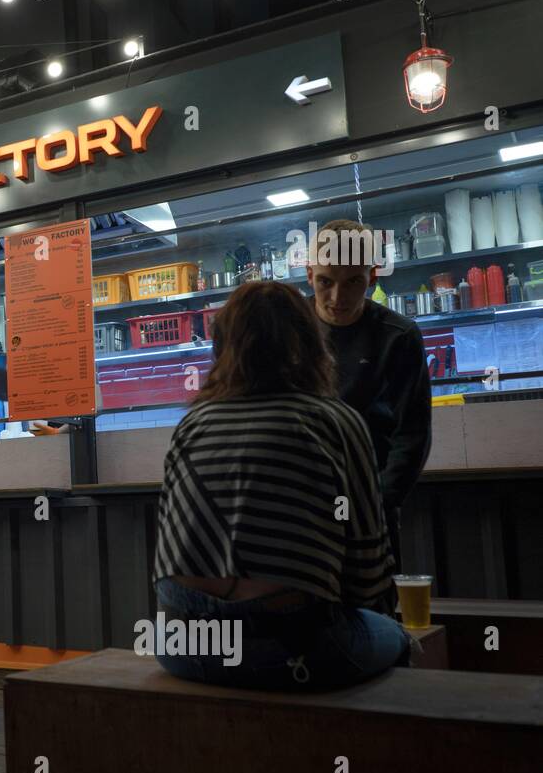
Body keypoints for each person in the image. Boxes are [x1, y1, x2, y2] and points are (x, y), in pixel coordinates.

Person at [152, 282, 411, 691]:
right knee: (398, 637)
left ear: (222, 347)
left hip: (181, 646)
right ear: (310, 343)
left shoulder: (192, 424)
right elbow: (367, 571)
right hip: (292, 648)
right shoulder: (335, 420)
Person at [308, 219, 432, 570]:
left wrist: (378, 502)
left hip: (371, 497)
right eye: (325, 282)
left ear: (372, 277)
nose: (337, 298)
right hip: (301, 502)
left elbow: (413, 432)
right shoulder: (290, 328)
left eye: (353, 282)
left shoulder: (399, 335)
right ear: (309, 274)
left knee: (375, 610)